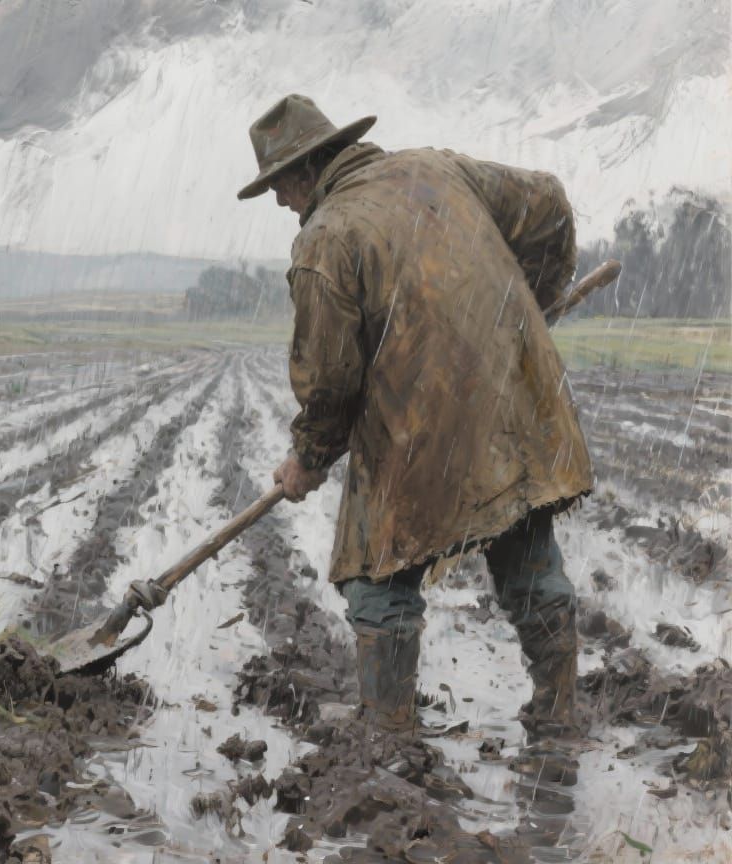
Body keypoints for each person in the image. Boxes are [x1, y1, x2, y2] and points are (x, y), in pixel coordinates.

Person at [238, 95, 592, 738]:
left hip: (420, 433)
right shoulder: (438, 169)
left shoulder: (324, 239)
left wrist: (308, 458)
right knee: (525, 539)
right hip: (516, 396)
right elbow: (548, 203)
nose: (284, 205)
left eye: (280, 190)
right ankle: (560, 709)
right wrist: (528, 309)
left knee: (377, 570)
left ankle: (387, 729)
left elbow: (329, 381)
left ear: (302, 172)